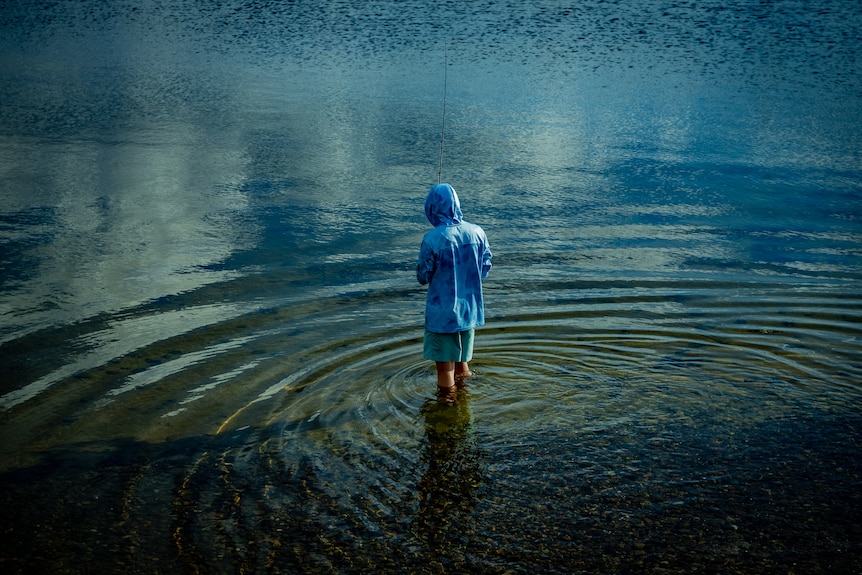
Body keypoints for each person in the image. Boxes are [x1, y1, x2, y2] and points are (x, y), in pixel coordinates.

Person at [417, 183, 492, 401]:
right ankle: (465, 398)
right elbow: (485, 268)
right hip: (469, 310)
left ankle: (447, 410)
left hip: (443, 314)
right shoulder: (478, 232)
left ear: (431, 208)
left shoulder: (432, 239)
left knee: (445, 370)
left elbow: (423, 276)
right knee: (462, 363)